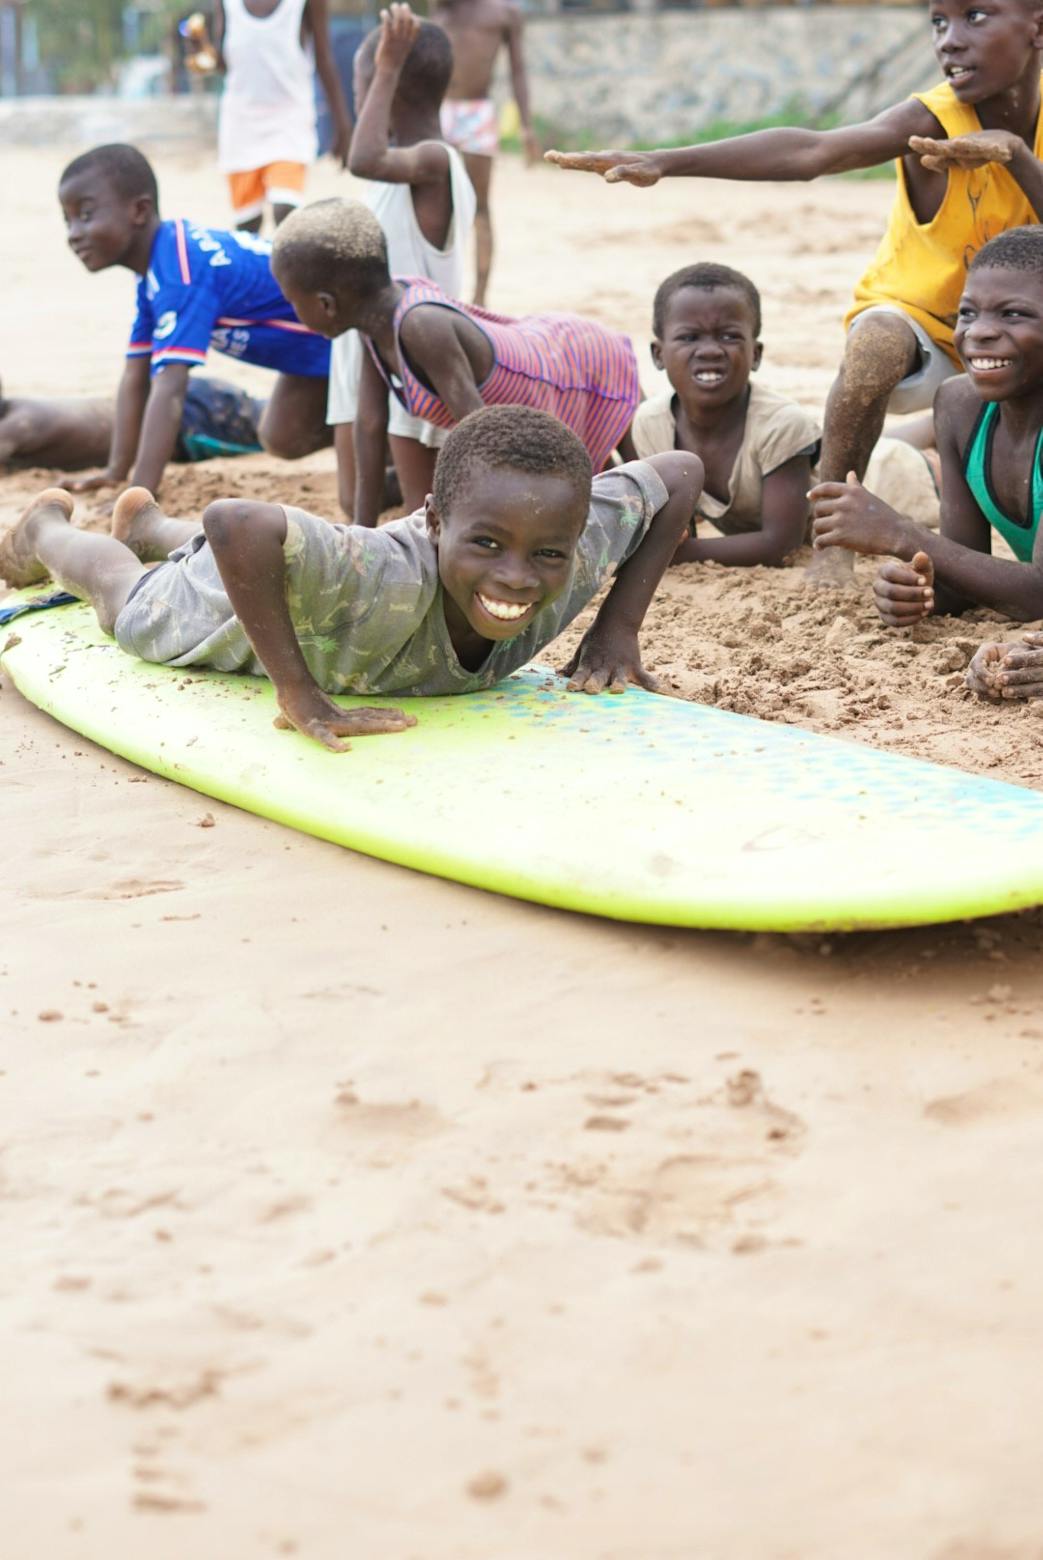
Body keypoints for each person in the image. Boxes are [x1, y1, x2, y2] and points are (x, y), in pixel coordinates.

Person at [546, 0, 1043, 581]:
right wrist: (663, 160)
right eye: (938, 22)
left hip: (1028, 336)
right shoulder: (932, 119)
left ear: (1037, 23)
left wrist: (1016, 156)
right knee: (876, 343)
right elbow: (814, 150)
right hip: (930, 334)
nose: (949, 41)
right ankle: (833, 542)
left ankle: (918, 440)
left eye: (975, 17)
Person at [0, 406, 704, 753]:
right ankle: (48, 534)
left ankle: (152, 527)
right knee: (127, 600)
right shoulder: (388, 577)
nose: (517, 579)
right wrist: (299, 692)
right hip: (236, 609)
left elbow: (678, 473)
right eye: (486, 543)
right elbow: (236, 522)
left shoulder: (565, 545)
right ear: (433, 522)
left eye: (547, 555)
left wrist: (617, 630)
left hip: (305, 577)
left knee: (281, 556)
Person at [270, 198, 640, 528]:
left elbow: (479, 429)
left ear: (325, 304)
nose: (293, 310)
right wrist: (362, 534)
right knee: (605, 492)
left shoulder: (419, 326)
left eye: (293, 301)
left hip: (572, 363)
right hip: (532, 385)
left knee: (636, 484)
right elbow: (369, 424)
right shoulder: (373, 324)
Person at [56, 143, 331, 501]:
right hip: (310, 358)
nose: (73, 233)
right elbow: (136, 374)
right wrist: (115, 472)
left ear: (139, 211)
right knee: (281, 436)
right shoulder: (156, 271)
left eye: (86, 214)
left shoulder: (182, 272)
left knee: (355, 431)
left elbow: (170, 387)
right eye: (68, 220)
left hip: (344, 338)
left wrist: (138, 495)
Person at [810, 228, 1043, 649]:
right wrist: (917, 588)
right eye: (968, 313)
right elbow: (964, 570)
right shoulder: (959, 405)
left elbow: (1037, 594)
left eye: (1013, 314)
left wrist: (902, 533)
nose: (979, 332)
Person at [331, 4, 476, 519]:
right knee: (354, 499)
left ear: (392, 90)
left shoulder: (436, 161)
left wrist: (385, 66)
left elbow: (363, 156)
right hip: (369, 349)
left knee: (422, 510)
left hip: (414, 360)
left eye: (363, 89)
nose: (359, 101)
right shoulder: (396, 171)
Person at [632, 262, 820, 567]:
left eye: (729, 337)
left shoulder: (783, 426)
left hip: (897, 483)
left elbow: (781, 543)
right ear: (658, 354)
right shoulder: (651, 424)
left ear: (756, 354)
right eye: (689, 337)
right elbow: (675, 529)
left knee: (906, 461)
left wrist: (670, 554)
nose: (710, 351)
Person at [185, 0, 352, 232]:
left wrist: (343, 126)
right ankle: (259, 269)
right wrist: (201, 49)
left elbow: (324, 60)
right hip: (240, 123)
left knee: (285, 209)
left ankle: (285, 268)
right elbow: (225, 62)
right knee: (247, 223)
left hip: (289, 119)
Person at [431, 0, 538, 305]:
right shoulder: (440, 9)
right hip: (438, 110)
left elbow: (518, 70)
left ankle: (480, 297)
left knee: (479, 208)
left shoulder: (503, 13)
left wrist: (526, 125)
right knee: (438, 207)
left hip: (476, 113)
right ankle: (440, 291)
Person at [0, 376, 264, 472]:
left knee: (281, 429)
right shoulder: (19, 412)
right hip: (179, 404)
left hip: (191, 418)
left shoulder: (19, 424)